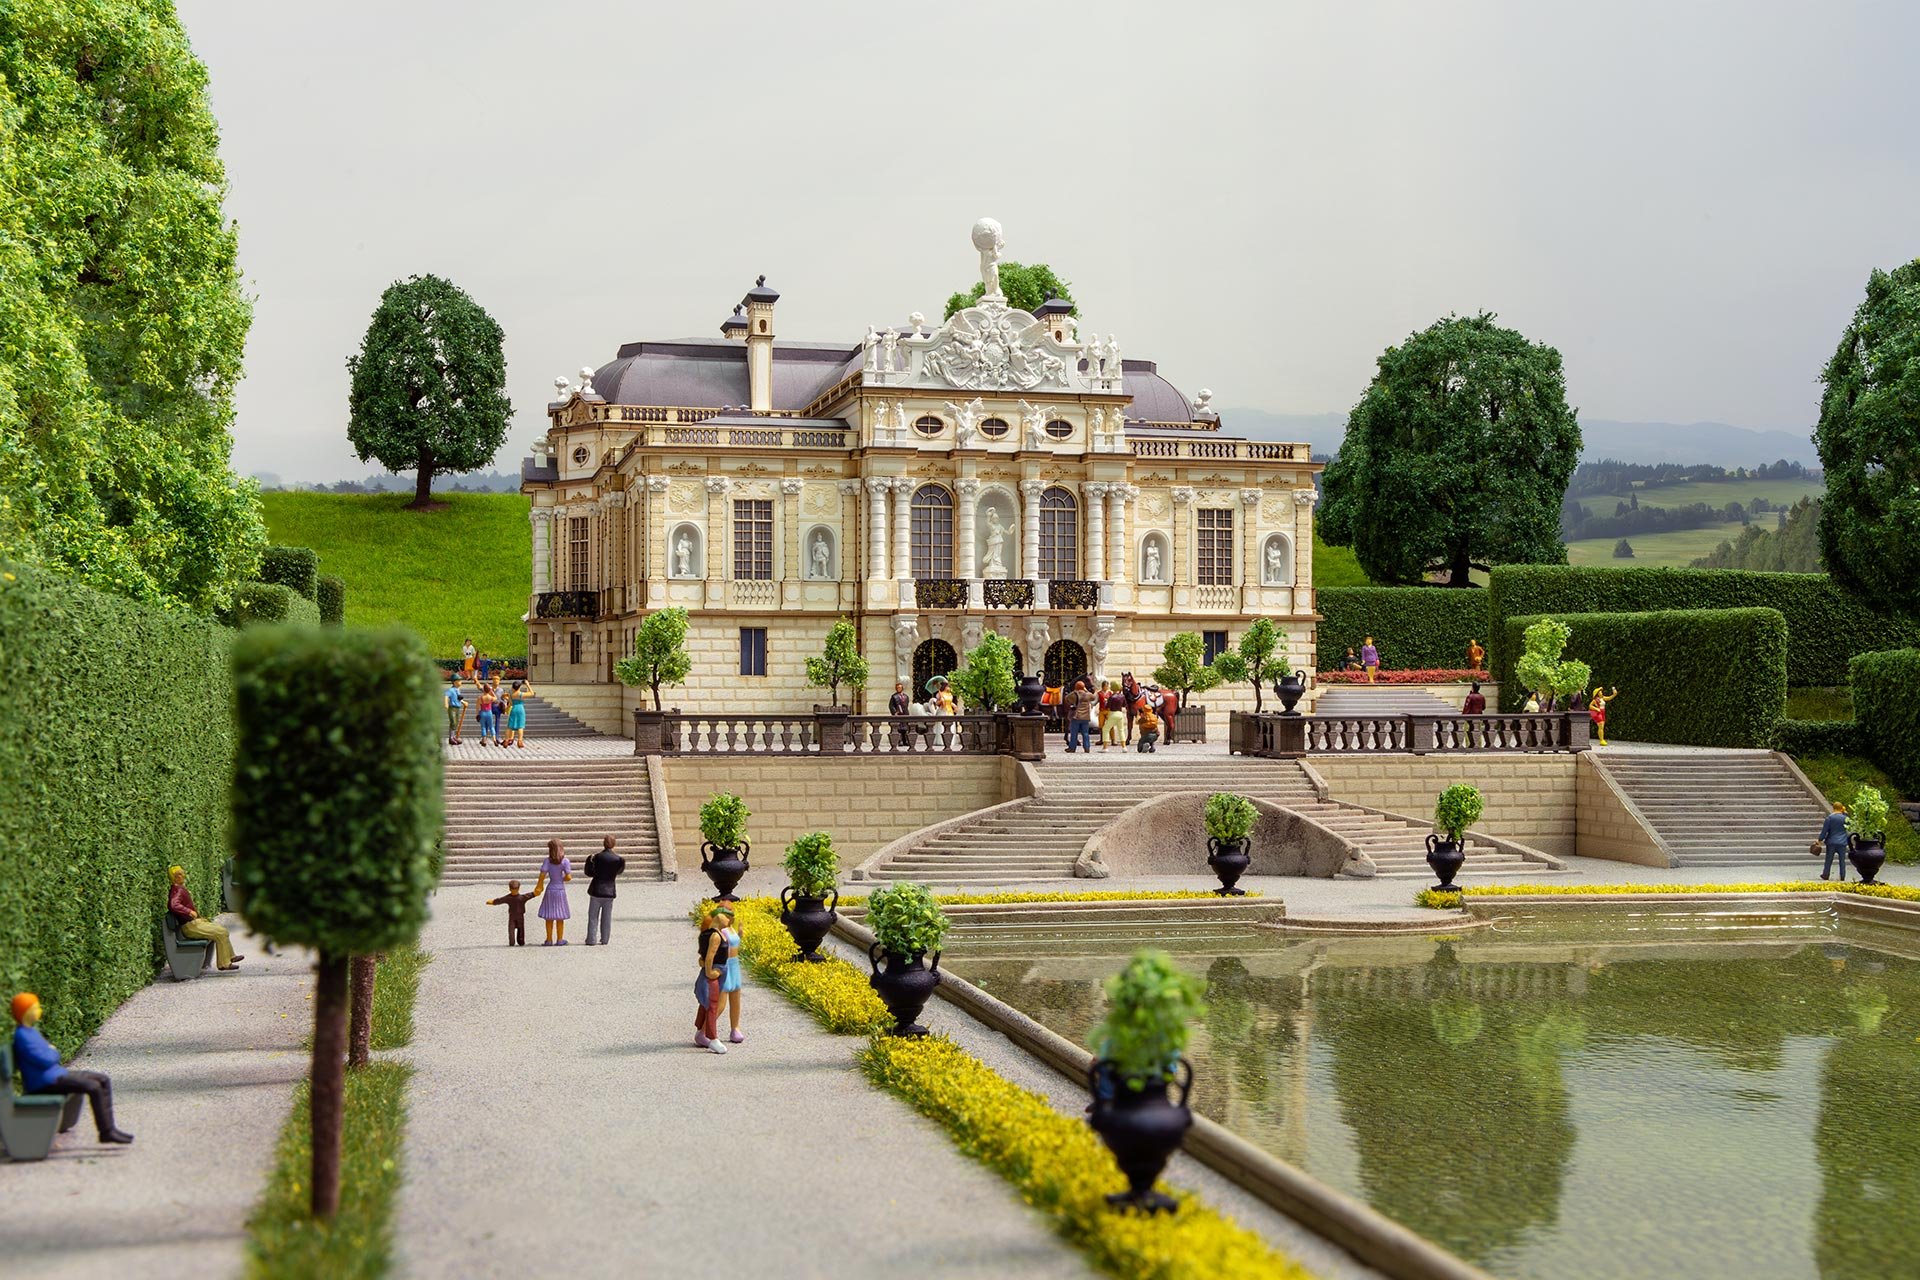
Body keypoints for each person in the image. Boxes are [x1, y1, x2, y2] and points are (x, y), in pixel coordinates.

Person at [10, 993, 132, 1145]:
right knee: (93, 1087)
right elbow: (47, 1059)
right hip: (44, 1083)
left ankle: (110, 1129)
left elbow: (47, 1054)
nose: (39, 1010)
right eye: (35, 1008)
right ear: (25, 1012)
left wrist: (50, 1051)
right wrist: (53, 1051)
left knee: (102, 1079)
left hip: (55, 1075)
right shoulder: (23, 1036)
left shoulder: (31, 1032)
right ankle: (106, 1132)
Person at [167, 865, 241, 970]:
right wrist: (189, 911)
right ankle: (224, 964)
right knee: (220, 933)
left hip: (194, 923)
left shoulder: (179, 888)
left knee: (222, 930)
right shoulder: (177, 890)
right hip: (190, 927)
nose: (183, 875)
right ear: (174, 877)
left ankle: (231, 956)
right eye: (179, 874)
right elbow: (173, 905)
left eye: (182, 873)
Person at [694, 906, 729, 1054]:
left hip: (721, 970)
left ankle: (700, 1033)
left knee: (707, 1003)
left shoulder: (716, 933)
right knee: (712, 1004)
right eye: (726, 916)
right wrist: (710, 972)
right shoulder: (715, 936)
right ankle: (713, 1038)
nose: (728, 920)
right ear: (718, 917)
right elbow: (709, 957)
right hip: (715, 972)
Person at [583, 836, 625, 946]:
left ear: (604, 843)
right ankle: (605, 939)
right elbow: (619, 872)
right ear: (614, 844)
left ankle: (591, 939)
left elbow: (589, 873)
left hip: (596, 889)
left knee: (593, 916)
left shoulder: (596, 857)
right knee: (607, 917)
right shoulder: (619, 859)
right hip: (609, 890)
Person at [716, 903, 745, 1045]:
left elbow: (735, 943)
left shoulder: (731, 929)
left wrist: (740, 934)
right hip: (726, 965)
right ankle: (706, 1027)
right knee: (721, 1001)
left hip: (735, 965)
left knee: (736, 998)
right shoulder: (720, 931)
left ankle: (735, 1027)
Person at [533, 839, 571, 945]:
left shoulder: (547, 861)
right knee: (560, 915)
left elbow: (542, 875)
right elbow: (568, 877)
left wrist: (539, 886)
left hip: (550, 888)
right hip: (560, 889)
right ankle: (560, 939)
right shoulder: (565, 861)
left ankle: (549, 939)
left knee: (549, 916)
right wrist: (561, 879)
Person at [487, 879, 535, 946]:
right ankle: (512, 942)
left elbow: (530, 895)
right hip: (512, 916)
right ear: (510, 889)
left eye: (515, 889)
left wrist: (535, 893)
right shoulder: (509, 898)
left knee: (521, 929)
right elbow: (500, 900)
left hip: (520, 916)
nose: (514, 891)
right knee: (511, 929)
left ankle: (521, 941)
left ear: (518, 889)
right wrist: (493, 902)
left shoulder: (522, 897)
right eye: (513, 889)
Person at [1817, 802, 1851, 882]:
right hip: (1842, 842)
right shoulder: (1845, 818)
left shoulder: (1830, 818)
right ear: (1841, 808)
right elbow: (1849, 827)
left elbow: (1825, 831)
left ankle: (1826, 874)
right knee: (1842, 860)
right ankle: (1842, 875)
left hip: (1831, 842)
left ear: (1833, 808)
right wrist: (1845, 813)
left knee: (1828, 859)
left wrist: (1820, 840)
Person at [1064, 679, 1096, 753]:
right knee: (1085, 733)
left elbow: (1067, 698)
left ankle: (1072, 748)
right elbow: (1094, 697)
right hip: (1086, 717)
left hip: (1076, 716)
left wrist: (1074, 691)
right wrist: (1086, 690)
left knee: (1074, 733)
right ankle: (1087, 748)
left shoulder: (1074, 694)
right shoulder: (1088, 695)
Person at [1099, 681, 1126, 751]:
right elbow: (1124, 705)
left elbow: (1108, 707)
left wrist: (1106, 702)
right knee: (1121, 730)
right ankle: (1124, 747)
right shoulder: (1122, 696)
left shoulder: (1111, 697)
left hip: (1113, 713)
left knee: (1105, 729)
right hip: (1120, 714)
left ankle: (1105, 747)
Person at [504, 679, 531, 748]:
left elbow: (510, 703)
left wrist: (506, 708)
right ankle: (520, 741)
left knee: (510, 726)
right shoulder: (521, 694)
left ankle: (506, 740)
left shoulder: (511, 695)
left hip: (514, 708)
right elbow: (532, 693)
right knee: (520, 726)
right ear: (519, 687)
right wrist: (527, 685)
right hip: (520, 709)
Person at [444, 674, 465, 746]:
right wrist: (446, 703)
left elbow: (458, 698)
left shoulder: (457, 690)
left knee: (456, 723)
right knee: (453, 722)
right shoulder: (451, 690)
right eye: (459, 681)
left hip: (457, 708)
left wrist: (463, 702)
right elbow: (446, 696)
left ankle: (453, 737)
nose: (461, 682)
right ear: (455, 682)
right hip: (452, 708)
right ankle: (451, 738)